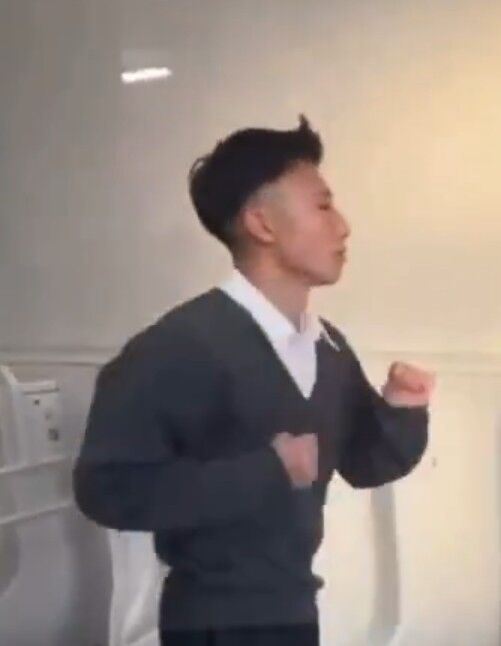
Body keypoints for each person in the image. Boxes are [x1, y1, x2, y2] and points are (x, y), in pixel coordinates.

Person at [73, 116, 434, 646]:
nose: (343, 226)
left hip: (296, 613)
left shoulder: (327, 348)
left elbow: (364, 464)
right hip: (211, 625)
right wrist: (266, 470)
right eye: (323, 205)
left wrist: (402, 410)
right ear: (262, 224)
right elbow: (106, 490)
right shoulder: (176, 348)